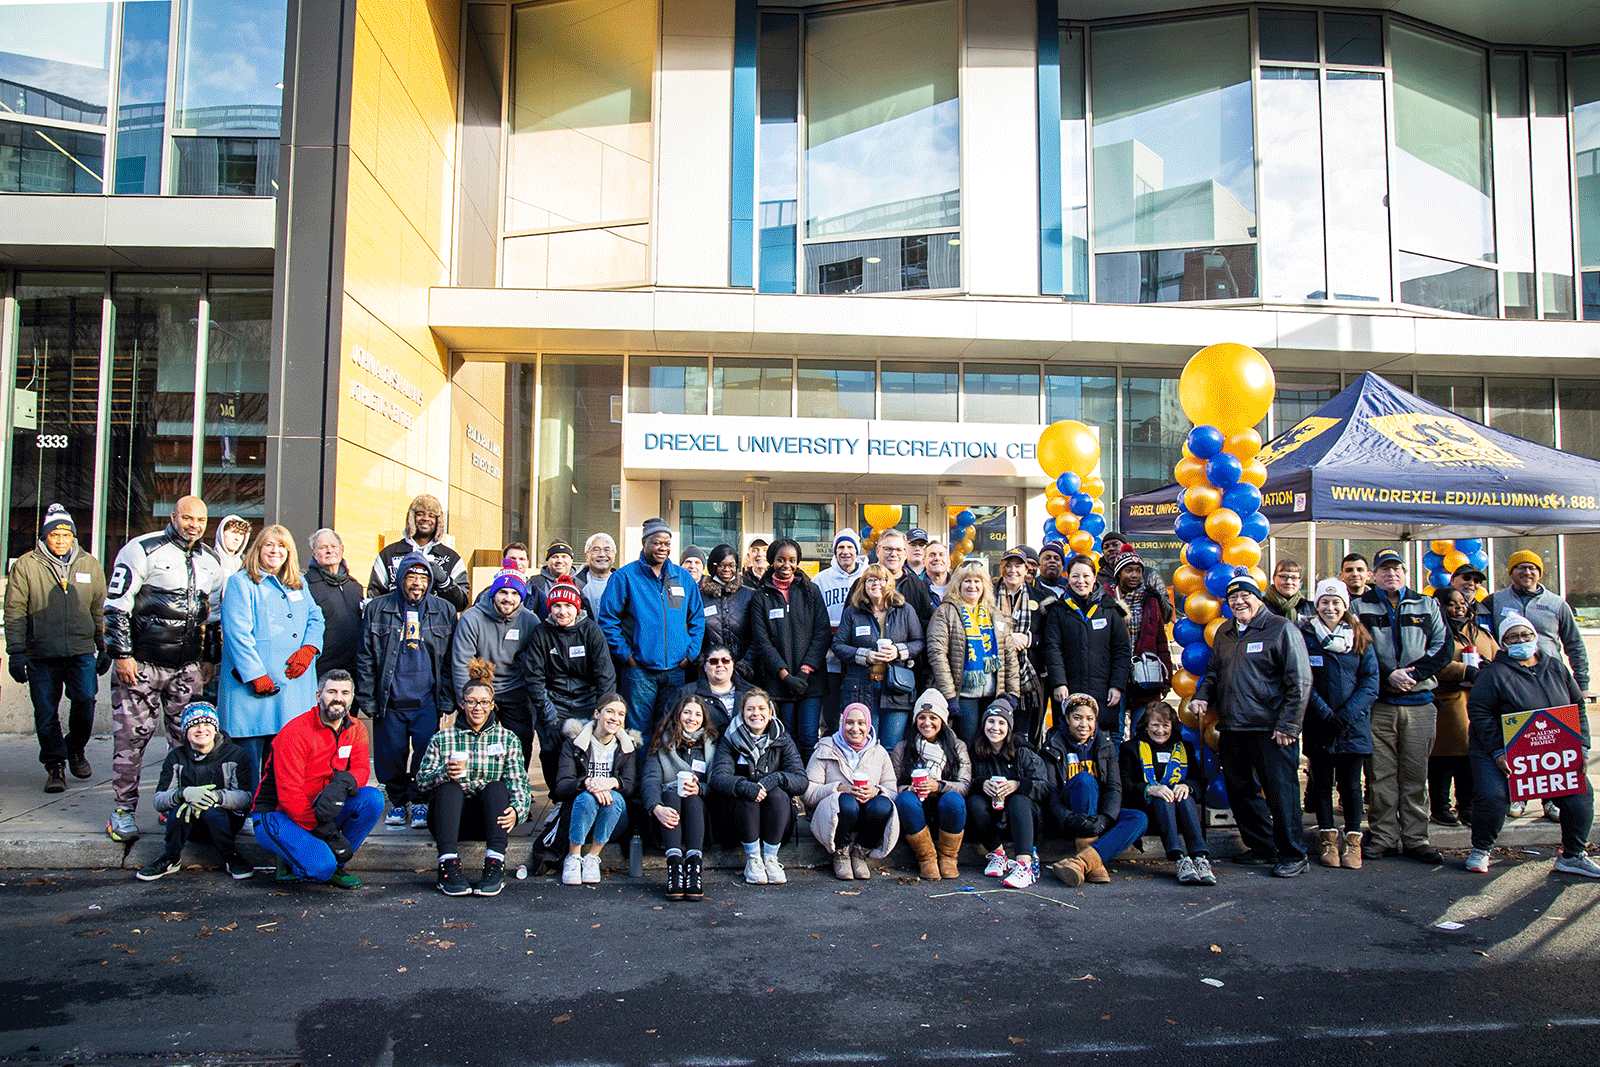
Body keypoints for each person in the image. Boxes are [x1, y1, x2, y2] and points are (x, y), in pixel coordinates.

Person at [103, 495, 226, 842]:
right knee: (131, 741)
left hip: (185, 669)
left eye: (200, 520)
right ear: (173, 517)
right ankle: (123, 810)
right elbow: (116, 607)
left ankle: (174, 803)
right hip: (141, 665)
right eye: (187, 518)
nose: (193, 526)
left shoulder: (211, 561)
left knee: (189, 740)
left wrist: (209, 658)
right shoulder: (142, 549)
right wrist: (122, 655)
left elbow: (214, 616)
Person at [1189, 573, 1312, 878]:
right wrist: (1202, 696)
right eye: (1233, 597)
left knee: (1281, 793)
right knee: (1240, 790)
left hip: (1271, 728)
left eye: (1245, 595)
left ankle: (1294, 853)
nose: (1239, 601)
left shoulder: (1281, 629)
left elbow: (1300, 681)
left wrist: (1289, 725)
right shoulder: (1225, 632)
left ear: (1258, 599)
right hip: (1233, 726)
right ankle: (1262, 846)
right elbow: (1214, 673)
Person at [1463, 612, 1598, 878]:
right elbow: (1479, 712)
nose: (1521, 640)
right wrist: (1498, 751)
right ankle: (1481, 849)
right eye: (1513, 637)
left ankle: (1573, 855)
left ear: (1535, 637)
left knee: (1580, 795)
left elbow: (1577, 706)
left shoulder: (1556, 667)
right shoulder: (1493, 674)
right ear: (1503, 643)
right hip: (1498, 750)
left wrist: (1581, 746)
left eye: (1526, 635)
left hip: (1552, 749)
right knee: (1493, 797)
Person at [1355, 549, 1453, 863]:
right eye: (1384, 569)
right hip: (1380, 705)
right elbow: (1358, 648)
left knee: (1415, 775)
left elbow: (1443, 646)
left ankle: (1416, 839)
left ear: (1405, 572)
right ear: (1374, 575)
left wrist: (1414, 675)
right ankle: (1383, 837)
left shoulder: (1427, 604)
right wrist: (1387, 676)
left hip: (1419, 702)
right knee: (1380, 776)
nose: (1391, 574)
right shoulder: (1359, 606)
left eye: (1396, 568)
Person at [5, 503, 105, 793]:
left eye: (66, 535)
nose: (61, 540)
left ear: (73, 536)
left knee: (85, 702)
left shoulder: (89, 564)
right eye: (55, 535)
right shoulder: (26, 565)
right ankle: (55, 766)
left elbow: (99, 609)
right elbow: (14, 611)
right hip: (41, 653)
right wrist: (16, 651)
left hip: (81, 651)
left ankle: (74, 748)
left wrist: (105, 646)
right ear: (45, 536)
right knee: (46, 713)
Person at [252, 670, 384, 888]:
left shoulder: (356, 729)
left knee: (372, 799)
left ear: (352, 698)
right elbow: (290, 796)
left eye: (345, 693)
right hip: (278, 812)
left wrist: (343, 783)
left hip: (322, 807)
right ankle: (302, 859)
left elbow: (361, 769)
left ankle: (336, 864)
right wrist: (328, 832)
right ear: (318, 695)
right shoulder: (295, 732)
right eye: (331, 692)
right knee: (320, 868)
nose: (338, 698)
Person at [1485, 550, 1590, 820]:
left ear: (1540, 572)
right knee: (1519, 738)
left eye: (1532, 568)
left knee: (1551, 740)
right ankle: (1519, 794)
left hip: (1550, 679)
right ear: (1510, 572)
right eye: (1520, 567)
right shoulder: (1496, 601)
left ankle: (1551, 799)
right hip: (1511, 680)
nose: (1527, 572)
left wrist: (1582, 681)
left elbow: (1574, 644)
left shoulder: (1556, 604)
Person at [414, 660, 532, 897]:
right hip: (449, 821)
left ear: (493, 705)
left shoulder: (507, 739)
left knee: (497, 788)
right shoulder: (442, 738)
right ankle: (448, 867)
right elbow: (422, 782)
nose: (478, 708)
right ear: (462, 704)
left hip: (488, 821)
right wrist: (444, 773)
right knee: (449, 788)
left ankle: (495, 865)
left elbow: (519, 784)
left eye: (484, 702)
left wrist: (518, 810)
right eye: (472, 702)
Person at [357, 551, 456, 829]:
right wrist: (367, 698)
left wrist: (447, 699)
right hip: (390, 700)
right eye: (411, 577)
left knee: (426, 754)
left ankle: (421, 801)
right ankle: (399, 802)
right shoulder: (378, 609)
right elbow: (365, 656)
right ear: (400, 578)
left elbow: (449, 660)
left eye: (423, 578)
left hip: (427, 700)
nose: (417, 583)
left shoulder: (444, 610)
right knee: (391, 756)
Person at [219, 525, 326, 781]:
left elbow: (316, 618)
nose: (275, 550)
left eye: (282, 546)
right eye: (269, 545)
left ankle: (279, 804)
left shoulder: (298, 584)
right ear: (258, 549)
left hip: (292, 692)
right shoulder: (240, 583)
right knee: (248, 768)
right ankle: (248, 805)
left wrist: (309, 648)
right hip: (253, 694)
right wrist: (255, 675)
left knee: (285, 764)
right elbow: (237, 634)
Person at [597, 518, 705, 734]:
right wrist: (626, 655)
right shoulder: (625, 577)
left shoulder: (682, 578)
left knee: (670, 729)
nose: (662, 548)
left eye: (667, 544)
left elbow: (698, 619)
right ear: (644, 542)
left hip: (676, 670)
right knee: (638, 732)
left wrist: (690, 654)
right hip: (639, 672)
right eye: (657, 543)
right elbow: (607, 620)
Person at [1300, 579, 1378, 870]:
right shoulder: (1305, 636)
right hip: (1319, 723)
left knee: (1351, 785)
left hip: (1353, 725)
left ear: (1345, 605)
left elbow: (1370, 681)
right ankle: (1328, 839)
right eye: (1324, 602)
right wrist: (1325, 714)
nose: (1330, 608)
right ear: (1316, 604)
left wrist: (1346, 716)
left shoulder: (1360, 636)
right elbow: (1303, 679)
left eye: (1336, 602)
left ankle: (1353, 841)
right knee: (1321, 783)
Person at [136, 702, 257, 881]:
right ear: (186, 731)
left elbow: (246, 798)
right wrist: (183, 794)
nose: (201, 730)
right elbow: (159, 800)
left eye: (207, 724)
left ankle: (231, 856)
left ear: (215, 728)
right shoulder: (175, 757)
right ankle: (171, 858)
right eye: (194, 725)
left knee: (211, 810)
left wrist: (215, 797)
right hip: (188, 824)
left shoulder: (235, 754)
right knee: (181, 809)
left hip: (225, 822)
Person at [1041, 693, 1148, 886]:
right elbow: (1051, 792)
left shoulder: (1105, 744)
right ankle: (1094, 864)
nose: (1084, 724)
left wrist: (1105, 819)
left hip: (1099, 815)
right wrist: (1070, 818)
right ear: (1067, 719)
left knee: (1139, 818)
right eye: (1077, 718)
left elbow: (1114, 787)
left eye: (1090, 719)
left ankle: (1081, 863)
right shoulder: (1053, 745)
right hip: (1069, 817)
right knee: (1084, 780)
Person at [525, 579, 615, 789]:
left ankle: (585, 791)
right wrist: (550, 717)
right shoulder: (541, 633)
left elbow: (605, 676)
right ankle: (557, 796)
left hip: (588, 701)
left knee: (587, 750)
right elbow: (534, 679)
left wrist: (601, 712)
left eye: (568, 605)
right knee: (550, 750)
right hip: (553, 702)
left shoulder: (591, 631)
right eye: (556, 606)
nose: (562, 611)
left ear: (577, 607)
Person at [710, 687, 806, 884]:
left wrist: (776, 778)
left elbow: (801, 780)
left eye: (761, 709)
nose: (756, 714)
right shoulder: (730, 738)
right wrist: (742, 785)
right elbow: (718, 778)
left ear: (770, 713)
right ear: (742, 712)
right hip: (739, 820)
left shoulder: (782, 738)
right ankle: (753, 859)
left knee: (778, 793)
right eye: (750, 709)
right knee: (748, 794)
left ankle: (771, 859)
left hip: (776, 821)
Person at [749, 537, 831, 762]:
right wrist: (785, 675)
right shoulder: (761, 597)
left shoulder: (811, 591)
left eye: (792, 560)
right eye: (781, 560)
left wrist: (805, 671)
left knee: (808, 738)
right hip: (778, 683)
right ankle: (788, 783)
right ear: (772, 561)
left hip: (810, 682)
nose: (787, 565)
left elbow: (822, 632)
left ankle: (808, 782)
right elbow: (762, 641)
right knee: (785, 739)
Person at [1119, 701, 1213, 886]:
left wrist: (1187, 786)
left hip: (1182, 814)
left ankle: (1200, 858)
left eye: (1165, 725)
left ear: (1173, 726)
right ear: (1145, 726)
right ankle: (1180, 859)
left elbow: (1199, 784)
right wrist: (1150, 789)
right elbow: (1125, 785)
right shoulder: (1130, 748)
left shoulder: (1184, 747)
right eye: (1155, 725)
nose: (1160, 731)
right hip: (1150, 813)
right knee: (1162, 798)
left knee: (1185, 797)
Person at [834, 562, 924, 751]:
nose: (876, 584)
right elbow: (838, 645)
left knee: (891, 747)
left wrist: (898, 651)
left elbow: (919, 642)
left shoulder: (904, 610)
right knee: (864, 746)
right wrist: (865, 655)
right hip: (861, 688)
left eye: (881, 579)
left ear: (889, 584)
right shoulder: (853, 612)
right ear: (863, 585)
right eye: (870, 580)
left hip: (896, 689)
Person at [552, 694, 639, 885]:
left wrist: (611, 783)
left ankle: (593, 856)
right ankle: (573, 856)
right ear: (597, 714)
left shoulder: (627, 747)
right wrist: (589, 783)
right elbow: (562, 787)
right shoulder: (574, 744)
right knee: (587, 798)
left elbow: (630, 787)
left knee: (615, 799)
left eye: (621, 714)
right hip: (578, 815)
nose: (615, 718)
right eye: (610, 712)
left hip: (612, 820)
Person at [805, 703, 899, 881]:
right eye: (849, 723)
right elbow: (808, 794)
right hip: (835, 817)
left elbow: (893, 792)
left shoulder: (879, 752)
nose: (855, 728)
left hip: (866, 817)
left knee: (883, 804)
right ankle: (840, 853)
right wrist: (838, 788)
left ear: (868, 725)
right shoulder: (825, 748)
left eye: (861, 723)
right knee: (846, 802)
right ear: (842, 724)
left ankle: (860, 852)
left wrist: (876, 791)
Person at [929, 563, 1019, 748]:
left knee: (991, 746)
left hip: (994, 694)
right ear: (958, 585)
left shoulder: (994, 613)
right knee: (968, 745)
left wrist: (1013, 693)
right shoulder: (946, 612)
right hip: (963, 696)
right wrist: (949, 696)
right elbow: (937, 655)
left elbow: (1009, 655)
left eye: (977, 581)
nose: (972, 586)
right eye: (967, 581)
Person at [1043, 554, 1132, 741]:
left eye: (1086, 576)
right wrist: (1059, 683)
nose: (1080, 581)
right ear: (1068, 577)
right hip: (1068, 689)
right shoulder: (1058, 610)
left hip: (1104, 691)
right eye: (1075, 576)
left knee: (1105, 742)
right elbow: (1052, 649)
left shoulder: (1111, 610)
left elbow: (1122, 651)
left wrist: (1117, 686)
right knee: (1068, 738)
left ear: (1094, 577)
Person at [643, 692, 720, 901]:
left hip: (701, 817)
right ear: (678, 715)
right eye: (687, 712)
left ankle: (694, 867)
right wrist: (656, 807)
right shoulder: (661, 742)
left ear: (704, 719)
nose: (692, 718)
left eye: (697, 714)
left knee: (693, 798)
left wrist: (700, 789)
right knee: (670, 795)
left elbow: (719, 782)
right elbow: (650, 780)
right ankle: (674, 867)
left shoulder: (712, 744)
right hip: (666, 816)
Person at [1431, 585, 1496, 828]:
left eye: (1462, 603)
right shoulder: (1435, 631)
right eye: (1452, 603)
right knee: (1443, 760)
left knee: (1469, 758)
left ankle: (1466, 806)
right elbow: (1432, 663)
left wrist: (1491, 667)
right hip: (1448, 703)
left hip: (1477, 703)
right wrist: (1465, 670)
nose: (1459, 607)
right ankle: (1440, 807)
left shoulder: (1479, 631)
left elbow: (1498, 655)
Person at [965, 699, 1048, 889]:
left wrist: (1018, 784)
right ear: (983, 724)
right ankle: (998, 855)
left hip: (1025, 820)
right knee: (974, 802)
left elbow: (1045, 788)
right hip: (993, 819)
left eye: (1001, 723)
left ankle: (1024, 866)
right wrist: (981, 784)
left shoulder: (1023, 751)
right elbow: (965, 783)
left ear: (1009, 727)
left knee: (1018, 800)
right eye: (991, 721)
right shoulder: (975, 751)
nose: (995, 728)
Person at [449, 561, 536, 737]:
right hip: (480, 687)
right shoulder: (471, 619)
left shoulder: (530, 620)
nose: (508, 598)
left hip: (515, 688)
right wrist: (466, 701)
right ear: (493, 593)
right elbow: (461, 662)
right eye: (503, 592)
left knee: (522, 742)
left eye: (514, 593)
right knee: (477, 742)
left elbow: (538, 662)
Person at [891, 689, 971, 879]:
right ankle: (926, 858)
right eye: (922, 717)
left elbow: (965, 785)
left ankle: (948, 858)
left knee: (954, 799)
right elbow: (891, 785)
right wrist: (909, 788)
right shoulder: (903, 748)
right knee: (905, 799)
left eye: (933, 718)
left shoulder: (957, 746)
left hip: (946, 814)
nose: (927, 723)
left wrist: (939, 786)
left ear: (942, 720)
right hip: (915, 816)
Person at [366, 494, 470, 612]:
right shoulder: (389, 554)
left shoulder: (451, 559)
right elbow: (373, 598)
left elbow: (461, 604)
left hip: (436, 622)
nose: (425, 518)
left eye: (431, 515)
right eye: (420, 514)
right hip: (395, 621)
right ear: (411, 518)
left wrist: (444, 581)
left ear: (438, 521)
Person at [813, 529, 865, 737]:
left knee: (856, 713)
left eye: (850, 547)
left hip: (858, 659)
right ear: (834, 552)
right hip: (829, 660)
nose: (845, 551)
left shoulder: (867, 577)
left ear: (857, 550)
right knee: (831, 715)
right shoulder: (820, 580)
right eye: (841, 547)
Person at [995, 546, 1048, 747]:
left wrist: (1029, 640)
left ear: (1026, 570)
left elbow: (1049, 637)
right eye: (1008, 566)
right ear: (1002, 568)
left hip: (1028, 676)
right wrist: (1008, 639)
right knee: (996, 729)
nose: (1013, 570)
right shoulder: (988, 595)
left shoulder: (1041, 598)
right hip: (995, 673)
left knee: (1024, 735)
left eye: (1018, 566)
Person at [1110, 549, 1172, 716]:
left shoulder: (1151, 600)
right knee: (1115, 725)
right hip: (1115, 675)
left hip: (1145, 674)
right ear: (1118, 573)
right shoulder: (1108, 600)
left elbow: (1160, 640)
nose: (1134, 575)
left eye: (1138, 571)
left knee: (1143, 724)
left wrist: (1167, 676)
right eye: (1129, 570)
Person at [304, 529, 363, 679]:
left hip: (355, 671)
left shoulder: (355, 587)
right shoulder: (305, 586)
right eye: (323, 547)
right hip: (322, 671)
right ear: (314, 553)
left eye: (333, 546)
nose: (329, 551)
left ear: (341, 549)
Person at [698, 543, 756, 681]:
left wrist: (745, 664)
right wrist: (703, 662)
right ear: (713, 566)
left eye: (731, 565)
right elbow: (695, 632)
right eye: (721, 565)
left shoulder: (750, 595)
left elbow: (757, 635)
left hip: (744, 672)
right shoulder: (700, 597)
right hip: (711, 670)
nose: (727, 569)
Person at [868, 529, 936, 633]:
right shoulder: (863, 584)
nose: (893, 554)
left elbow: (928, 625)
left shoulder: (917, 586)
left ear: (905, 553)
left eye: (899, 550)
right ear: (878, 551)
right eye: (888, 549)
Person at [675, 643, 751, 733]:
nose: (720, 665)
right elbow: (671, 727)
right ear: (705, 666)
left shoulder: (751, 693)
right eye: (713, 661)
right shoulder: (685, 693)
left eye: (725, 660)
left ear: (733, 664)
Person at [525, 540, 577, 620]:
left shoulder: (581, 582)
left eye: (564, 557)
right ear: (547, 561)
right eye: (555, 557)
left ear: (571, 560)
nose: (559, 561)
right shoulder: (535, 583)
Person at [574, 533, 616, 613]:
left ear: (614, 555)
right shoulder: (575, 584)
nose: (602, 555)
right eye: (596, 550)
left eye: (607, 550)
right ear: (587, 556)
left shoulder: (623, 583)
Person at [1450, 563, 1493, 629]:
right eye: (1466, 578)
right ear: (1452, 581)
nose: (1471, 583)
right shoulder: (1439, 607)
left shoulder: (1486, 613)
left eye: (1476, 581)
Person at [213, 515, 251, 584]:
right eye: (233, 532)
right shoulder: (210, 560)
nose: (237, 538)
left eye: (241, 534)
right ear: (221, 533)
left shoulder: (246, 564)